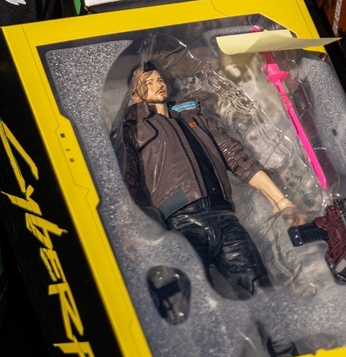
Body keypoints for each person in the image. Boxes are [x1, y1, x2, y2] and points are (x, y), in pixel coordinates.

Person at [119, 62, 294, 297]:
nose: (158, 85)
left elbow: (239, 160)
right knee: (196, 299)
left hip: (225, 219)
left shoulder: (195, 118)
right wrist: (136, 233)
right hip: (180, 226)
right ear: (135, 94)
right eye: (148, 83)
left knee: (263, 291)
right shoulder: (132, 130)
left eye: (159, 80)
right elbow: (128, 183)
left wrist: (282, 202)